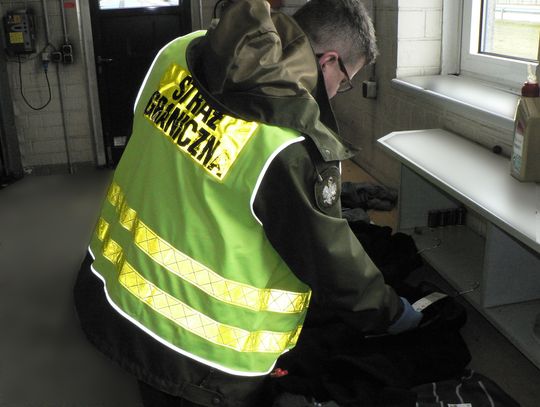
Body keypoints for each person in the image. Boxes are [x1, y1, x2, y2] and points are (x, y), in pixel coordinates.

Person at [73, 0, 422, 406]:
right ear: (329, 61)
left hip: (118, 287)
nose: (336, 94)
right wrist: (389, 311)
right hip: (198, 348)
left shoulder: (179, 52)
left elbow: (180, 154)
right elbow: (329, 260)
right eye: (344, 82)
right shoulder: (290, 138)